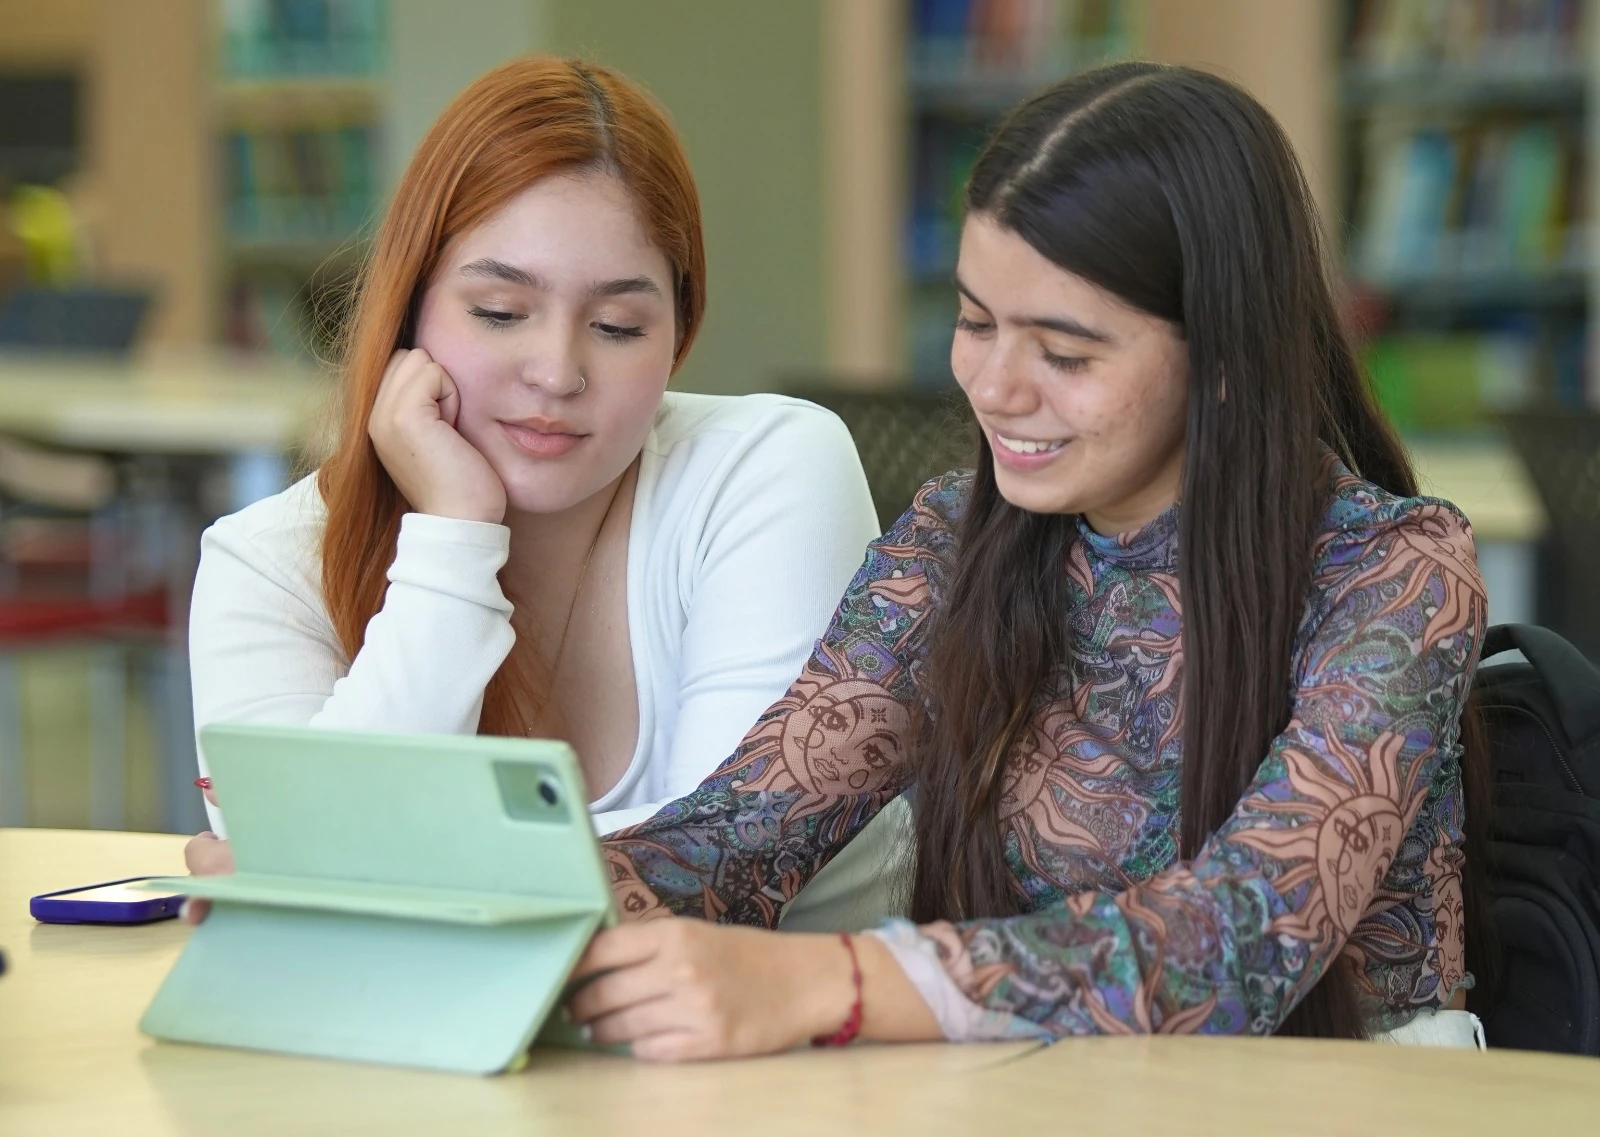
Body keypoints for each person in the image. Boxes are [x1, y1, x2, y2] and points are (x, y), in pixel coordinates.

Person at [564, 62, 1492, 1061]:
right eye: (973, 322)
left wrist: (836, 980)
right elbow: (743, 835)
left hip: (1338, 1092)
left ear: (1224, 357)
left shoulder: (1394, 570)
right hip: (1033, 1086)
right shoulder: (952, 540)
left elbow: (1247, 932)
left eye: (1064, 352)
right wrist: (527, 897)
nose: (994, 387)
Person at [182, 56, 882, 903]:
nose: (556, 371)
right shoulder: (265, 563)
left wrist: (345, 864)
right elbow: (309, 912)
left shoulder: (769, 469)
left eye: (617, 325)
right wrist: (454, 534)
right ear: (409, 310)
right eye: (500, 313)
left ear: (679, 331)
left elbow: (733, 871)